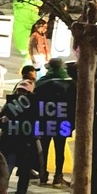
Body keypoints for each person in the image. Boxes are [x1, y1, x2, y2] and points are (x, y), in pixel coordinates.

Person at [0, 67, 39, 194]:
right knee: (5, 172)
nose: (21, 94)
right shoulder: (10, 105)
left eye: (25, 92)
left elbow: (43, 125)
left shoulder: (36, 108)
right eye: (20, 91)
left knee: (25, 175)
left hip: (26, 146)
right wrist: (2, 121)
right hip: (9, 146)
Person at [35, 58, 73, 187]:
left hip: (44, 121)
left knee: (43, 149)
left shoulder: (41, 83)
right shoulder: (70, 84)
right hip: (63, 122)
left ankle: (43, 175)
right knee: (60, 149)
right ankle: (58, 176)